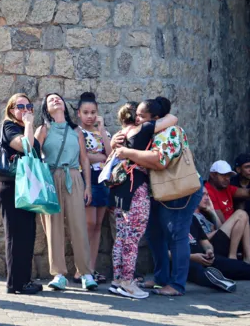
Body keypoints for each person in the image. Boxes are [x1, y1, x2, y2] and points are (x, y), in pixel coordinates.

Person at [113, 97, 203, 297]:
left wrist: (127, 152)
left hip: (181, 192)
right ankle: (161, 277)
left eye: (141, 116)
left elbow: (159, 161)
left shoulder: (170, 132)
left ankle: (177, 284)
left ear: (155, 118)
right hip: (160, 192)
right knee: (154, 233)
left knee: (177, 234)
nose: (137, 118)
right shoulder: (151, 130)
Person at [107, 101, 176, 299]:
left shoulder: (122, 135)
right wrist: (152, 119)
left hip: (119, 189)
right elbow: (173, 118)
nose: (139, 117)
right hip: (136, 187)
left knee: (121, 236)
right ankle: (128, 283)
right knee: (133, 237)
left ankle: (117, 281)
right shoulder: (143, 129)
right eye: (138, 114)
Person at [34, 93, 97, 291]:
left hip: (73, 177)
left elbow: (84, 159)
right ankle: (59, 274)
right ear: (46, 107)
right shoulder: (43, 129)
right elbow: (33, 155)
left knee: (79, 225)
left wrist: (88, 186)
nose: (55, 100)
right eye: (50, 99)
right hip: (51, 178)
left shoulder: (76, 130)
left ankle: (86, 273)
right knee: (53, 226)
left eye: (58, 98)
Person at [0, 93, 42, 295]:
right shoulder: (9, 127)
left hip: (26, 185)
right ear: (11, 110)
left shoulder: (23, 128)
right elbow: (27, 147)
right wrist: (30, 124)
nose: (24, 110)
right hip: (11, 185)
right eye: (19, 106)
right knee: (15, 234)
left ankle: (25, 280)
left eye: (27, 106)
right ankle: (14, 283)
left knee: (28, 233)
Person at [72, 92, 111, 284]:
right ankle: (81, 268)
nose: (90, 116)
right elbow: (82, 156)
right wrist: (101, 156)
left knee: (97, 227)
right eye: (86, 112)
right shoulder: (77, 132)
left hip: (103, 179)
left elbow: (111, 154)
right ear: (78, 113)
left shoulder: (103, 132)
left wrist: (102, 130)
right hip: (86, 177)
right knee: (87, 225)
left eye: (93, 112)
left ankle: (91, 269)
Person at [194, 186, 250, 268]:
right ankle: (233, 257)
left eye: (207, 195)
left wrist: (212, 211)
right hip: (208, 249)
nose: (207, 198)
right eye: (203, 195)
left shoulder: (203, 215)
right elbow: (199, 239)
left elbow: (220, 228)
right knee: (240, 213)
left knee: (243, 217)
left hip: (217, 243)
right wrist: (219, 231)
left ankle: (248, 256)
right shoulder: (190, 217)